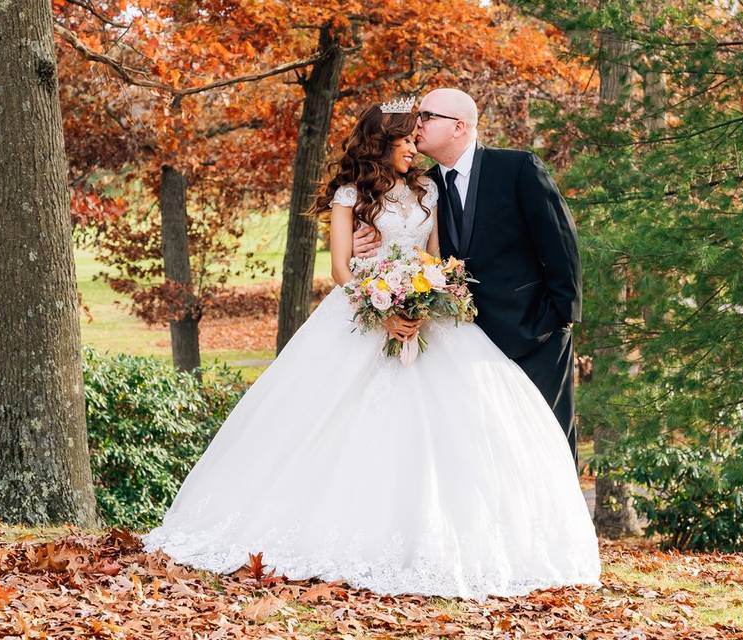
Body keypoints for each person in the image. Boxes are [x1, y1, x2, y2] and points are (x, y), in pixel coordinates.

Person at [142, 101, 601, 601]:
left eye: (418, 135)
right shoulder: (350, 195)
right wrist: (380, 306)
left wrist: (425, 299)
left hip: (430, 313)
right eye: (406, 139)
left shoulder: (430, 188)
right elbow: (341, 269)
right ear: (384, 145)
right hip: (362, 312)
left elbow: (439, 255)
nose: (413, 145)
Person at [353, 88, 584, 471]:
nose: (417, 123)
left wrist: (560, 318)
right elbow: (396, 234)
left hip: (534, 335)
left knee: (546, 449)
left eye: (426, 116)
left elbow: (560, 242)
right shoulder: (421, 186)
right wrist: (368, 239)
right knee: (485, 454)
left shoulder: (518, 168)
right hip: (461, 342)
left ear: (459, 126)